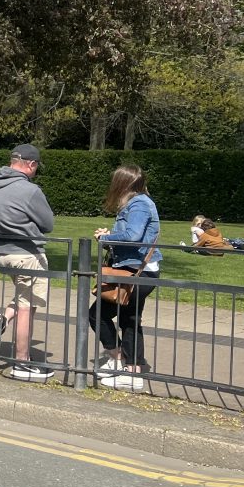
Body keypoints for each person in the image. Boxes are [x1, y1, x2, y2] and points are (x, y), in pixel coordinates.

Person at [0, 144, 55, 381]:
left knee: (24, 296)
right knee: (27, 307)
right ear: (31, 164)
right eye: (36, 166)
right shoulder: (29, 190)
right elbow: (48, 223)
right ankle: (21, 363)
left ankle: (2, 320)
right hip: (27, 253)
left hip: (3, 253)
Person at [90, 163, 161, 392]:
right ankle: (123, 362)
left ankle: (130, 371)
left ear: (122, 183)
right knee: (121, 318)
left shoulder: (139, 203)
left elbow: (133, 235)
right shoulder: (136, 202)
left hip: (139, 271)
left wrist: (108, 237)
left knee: (123, 318)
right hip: (133, 269)